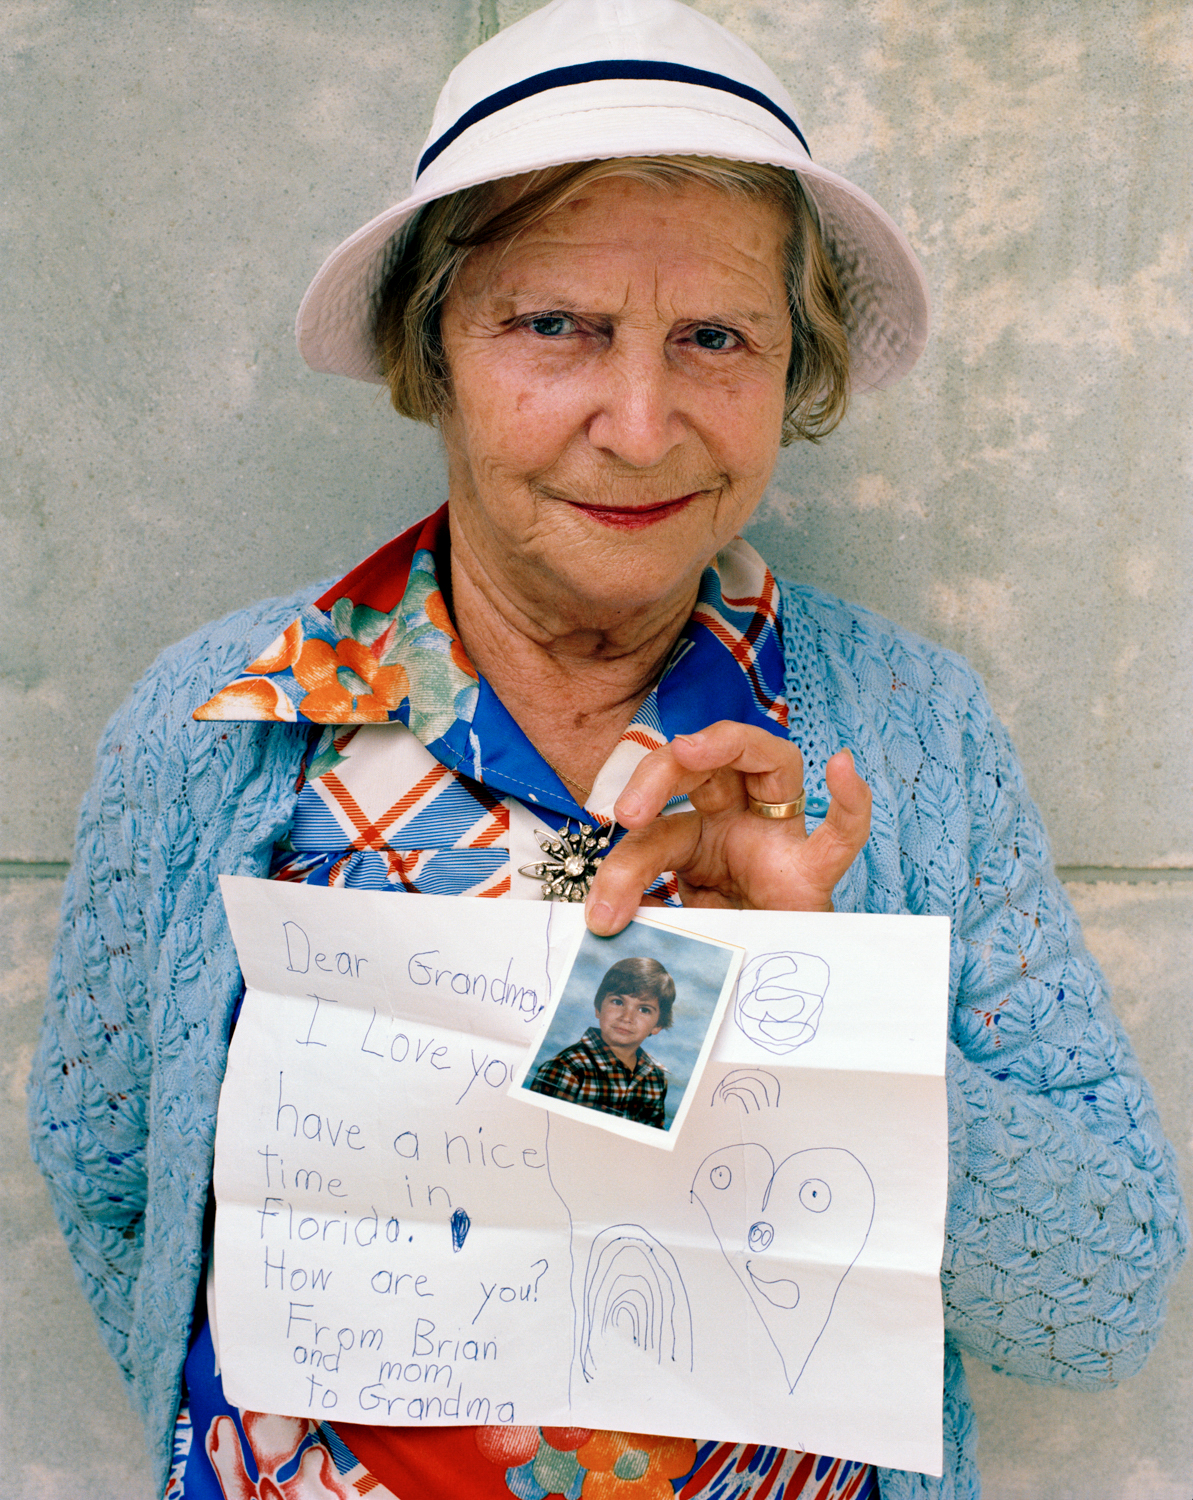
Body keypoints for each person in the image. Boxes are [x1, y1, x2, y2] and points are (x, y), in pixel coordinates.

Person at [28, 1, 1187, 1497]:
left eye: (713, 338)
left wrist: (806, 1007)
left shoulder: (909, 736)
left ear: (793, 373)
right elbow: (122, 1193)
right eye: (554, 326)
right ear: (431, 348)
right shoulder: (224, 729)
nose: (638, 427)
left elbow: (1101, 1305)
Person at [529, 956, 675, 1127]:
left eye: (644, 1009)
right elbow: (539, 1129)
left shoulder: (655, 1078)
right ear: (598, 1008)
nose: (627, 1017)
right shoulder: (567, 1069)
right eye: (618, 1002)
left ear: (658, 1025)